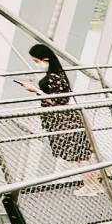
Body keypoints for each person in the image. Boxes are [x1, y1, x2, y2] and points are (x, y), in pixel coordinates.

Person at [26, 42, 101, 194]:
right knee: (82, 154)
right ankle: (91, 183)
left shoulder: (54, 77)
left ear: (45, 59)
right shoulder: (58, 74)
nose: (36, 64)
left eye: (36, 61)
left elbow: (57, 101)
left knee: (80, 155)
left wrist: (36, 90)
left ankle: (90, 185)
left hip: (64, 121)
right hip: (66, 119)